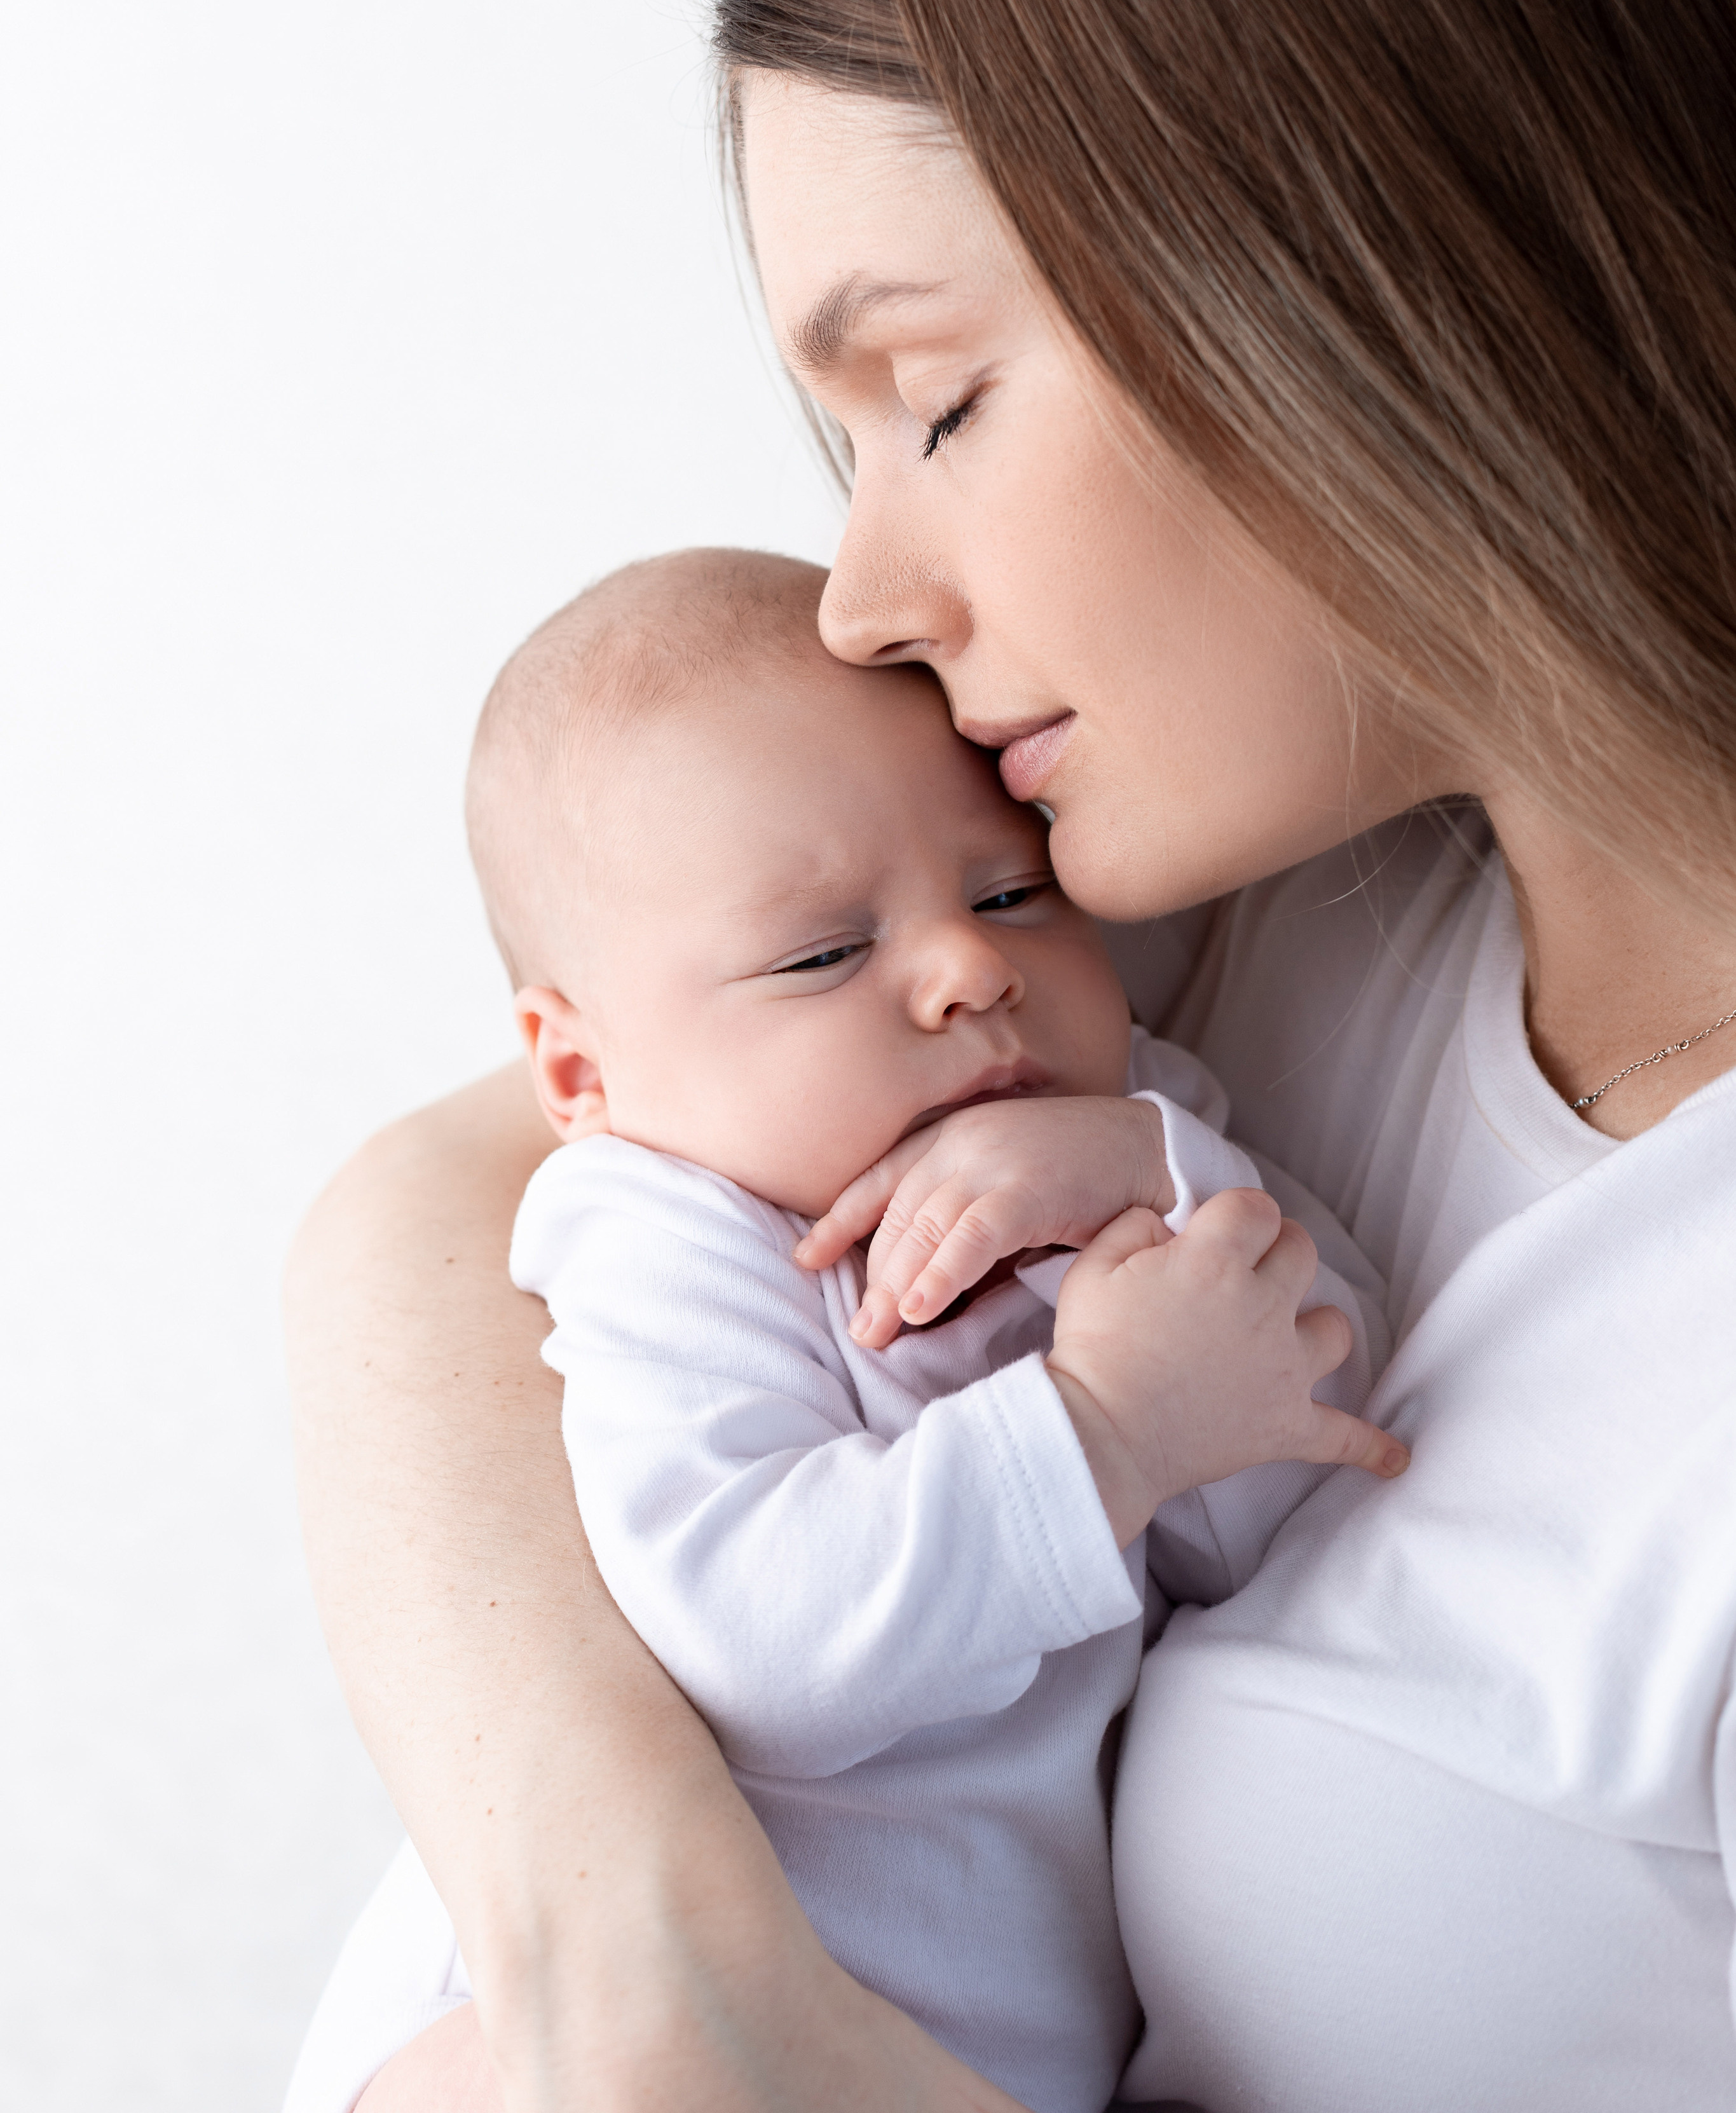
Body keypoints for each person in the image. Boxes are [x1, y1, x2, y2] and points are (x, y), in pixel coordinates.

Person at [286, 0, 1736, 2113]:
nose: (858, 592)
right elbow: (435, 1219)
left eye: (930, 402)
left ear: (1351, 265)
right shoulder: (1242, 920)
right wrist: (635, 1938)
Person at [287, 544, 1400, 2113]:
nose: (966, 969)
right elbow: (757, 1629)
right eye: (821, 952)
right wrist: (1102, 1432)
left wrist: (1153, 1173)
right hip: (548, 2048)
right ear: (579, 1073)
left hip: (960, 2050)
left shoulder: (1139, 1128)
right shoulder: (662, 1223)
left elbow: (1327, 1439)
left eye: (1011, 890)